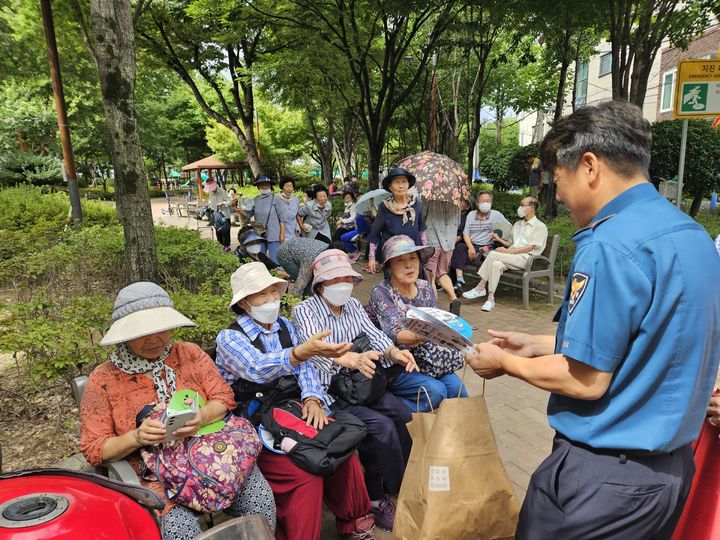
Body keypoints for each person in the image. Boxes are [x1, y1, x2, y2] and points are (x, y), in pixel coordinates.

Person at [465, 100, 720, 540]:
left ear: (589, 166)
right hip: (667, 473)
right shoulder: (690, 234)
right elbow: (645, 338)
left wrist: (506, 363)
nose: (558, 195)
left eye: (557, 179)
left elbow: (586, 378)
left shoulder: (609, 243)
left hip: (604, 476)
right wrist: (538, 343)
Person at [80, 282, 276, 540]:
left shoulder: (189, 354)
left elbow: (223, 398)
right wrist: (137, 438)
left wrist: (201, 417)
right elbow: (95, 449)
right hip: (154, 479)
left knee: (260, 503)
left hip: (215, 458)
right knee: (178, 530)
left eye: (162, 328)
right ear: (125, 335)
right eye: (142, 332)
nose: (154, 339)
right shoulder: (104, 379)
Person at [214, 263, 376, 540]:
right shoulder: (229, 338)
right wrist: (301, 352)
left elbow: (305, 368)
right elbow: (257, 368)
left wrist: (312, 398)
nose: (271, 300)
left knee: (340, 448)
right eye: (262, 295)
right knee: (304, 473)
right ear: (244, 302)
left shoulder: (285, 326)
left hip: (293, 408)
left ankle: (354, 523)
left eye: (274, 292)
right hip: (256, 423)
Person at [293, 250, 419, 531]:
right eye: (335, 279)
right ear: (320, 284)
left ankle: (398, 482)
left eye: (346, 277)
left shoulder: (352, 305)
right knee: (380, 428)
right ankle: (376, 499)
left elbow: (374, 336)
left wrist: (394, 352)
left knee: (402, 414)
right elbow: (314, 353)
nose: (343, 283)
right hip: (332, 391)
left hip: (364, 383)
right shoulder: (304, 310)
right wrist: (346, 359)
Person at [367, 236, 467, 412]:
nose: (409, 265)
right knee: (436, 392)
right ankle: (396, 414)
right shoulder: (382, 292)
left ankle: (455, 436)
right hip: (396, 362)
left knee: (457, 389)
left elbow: (435, 318)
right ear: (389, 266)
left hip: (428, 360)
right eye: (400, 260)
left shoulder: (425, 287)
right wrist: (431, 332)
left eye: (413, 258)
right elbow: (396, 334)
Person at [462, 195, 547, 311]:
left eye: (522, 205)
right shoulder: (518, 224)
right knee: (495, 264)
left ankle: (480, 287)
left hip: (526, 258)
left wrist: (508, 251)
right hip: (511, 257)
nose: (520, 207)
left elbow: (529, 247)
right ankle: (490, 299)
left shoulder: (540, 227)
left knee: (492, 254)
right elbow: (511, 243)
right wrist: (500, 240)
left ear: (532, 208)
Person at [367, 167, 427, 273]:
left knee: (414, 286)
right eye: (397, 182)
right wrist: (372, 258)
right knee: (395, 287)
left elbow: (421, 229)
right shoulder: (385, 207)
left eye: (404, 182)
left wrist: (425, 249)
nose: (401, 186)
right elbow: (374, 233)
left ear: (408, 184)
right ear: (390, 187)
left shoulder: (416, 203)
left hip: (414, 256)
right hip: (393, 257)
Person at [453, 191, 510, 293]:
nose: (486, 203)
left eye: (488, 201)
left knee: (488, 253)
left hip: (487, 246)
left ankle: (480, 287)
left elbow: (509, 227)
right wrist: (470, 248)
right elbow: (466, 234)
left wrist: (500, 236)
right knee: (459, 248)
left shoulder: (496, 215)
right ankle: (459, 280)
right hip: (473, 244)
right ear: (477, 203)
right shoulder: (471, 215)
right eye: (483, 201)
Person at [422, 194, 461, 313]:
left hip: (432, 241)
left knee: (431, 277)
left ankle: (433, 308)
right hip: (449, 243)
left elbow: (422, 216)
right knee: (443, 273)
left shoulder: (429, 196)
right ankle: (453, 299)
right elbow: (458, 221)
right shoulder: (456, 198)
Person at [246, 174, 281, 264]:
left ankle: (276, 277)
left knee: (275, 261)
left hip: (274, 234)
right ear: (258, 186)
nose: (264, 186)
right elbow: (248, 215)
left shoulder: (277, 199)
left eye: (266, 184)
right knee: (259, 260)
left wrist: (283, 234)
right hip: (259, 234)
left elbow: (283, 218)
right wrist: (240, 210)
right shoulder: (255, 200)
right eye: (261, 184)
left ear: (270, 185)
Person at [204, 178, 233, 252]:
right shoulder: (211, 193)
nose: (212, 190)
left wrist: (223, 203)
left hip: (224, 214)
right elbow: (211, 202)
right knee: (218, 230)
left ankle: (226, 246)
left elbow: (230, 202)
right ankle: (220, 245)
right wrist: (209, 206)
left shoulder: (222, 191)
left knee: (226, 231)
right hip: (216, 215)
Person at [277, 177, 301, 244]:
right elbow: (280, 218)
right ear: (282, 187)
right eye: (287, 186)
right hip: (280, 229)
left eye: (291, 186)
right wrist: (282, 233)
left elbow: (298, 214)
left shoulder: (296, 199)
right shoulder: (277, 199)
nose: (289, 188)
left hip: (293, 228)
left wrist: (301, 226)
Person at [337, 192, 359, 260]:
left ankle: (341, 251)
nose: (347, 200)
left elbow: (353, 218)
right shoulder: (347, 207)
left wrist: (342, 221)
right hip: (347, 226)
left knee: (339, 233)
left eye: (348, 198)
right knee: (338, 232)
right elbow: (345, 217)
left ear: (352, 198)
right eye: (345, 198)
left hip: (353, 227)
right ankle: (340, 251)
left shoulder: (354, 206)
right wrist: (341, 221)